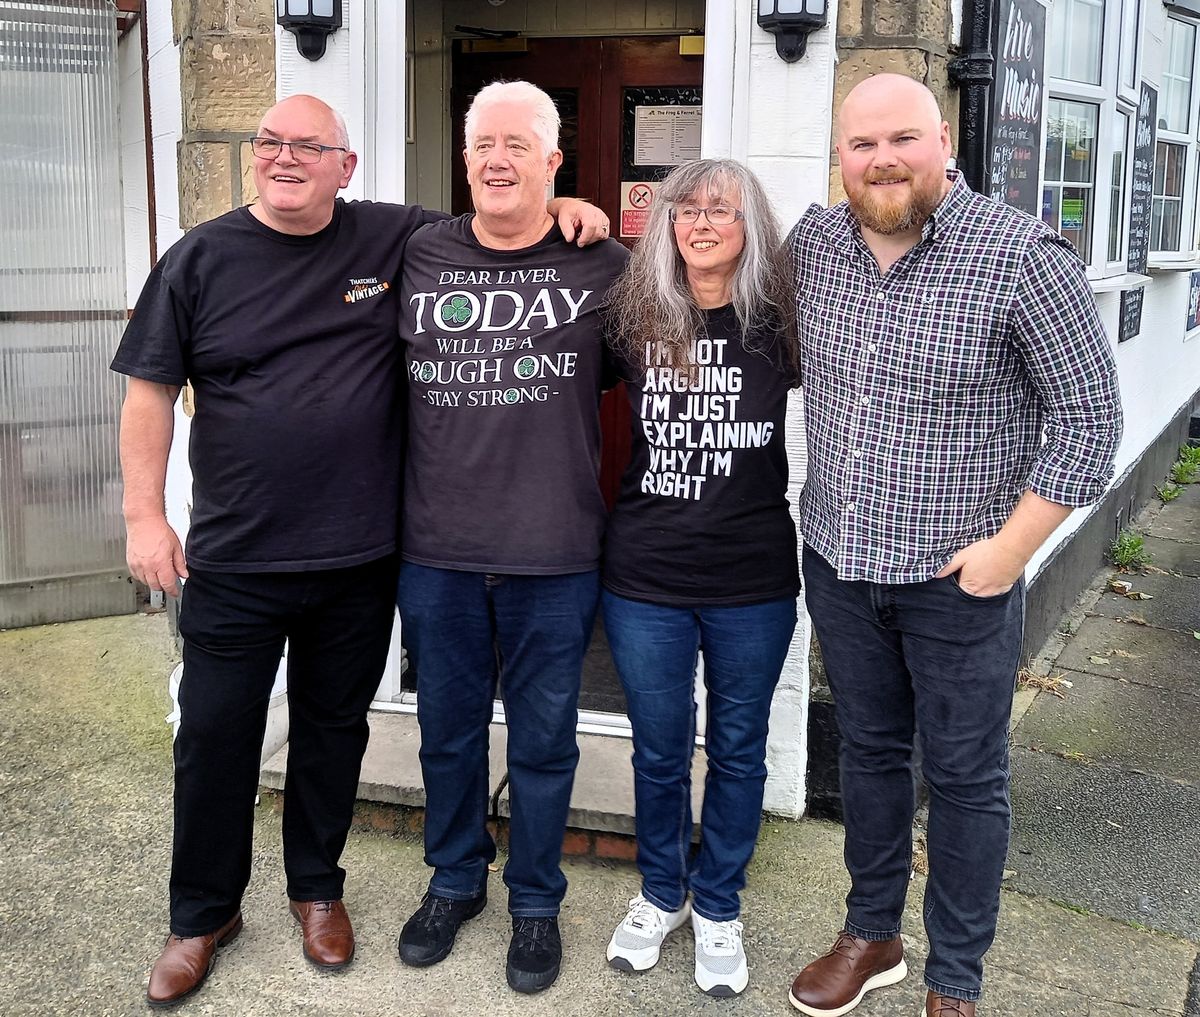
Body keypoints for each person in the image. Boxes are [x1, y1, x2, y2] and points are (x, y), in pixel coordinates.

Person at [111, 93, 607, 1009]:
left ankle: (315, 891)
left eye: (310, 146)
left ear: (347, 167)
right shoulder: (199, 258)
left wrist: (566, 208)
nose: (284, 157)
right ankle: (202, 914)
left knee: (333, 733)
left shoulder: (396, 240)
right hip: (237, 554)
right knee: (216, 736)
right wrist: (146, 517)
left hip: (357, 557)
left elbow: (507, 215)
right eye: (270, 142)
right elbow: (149, 391)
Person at [785, 75, 1122, 1017]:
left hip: (961, 579)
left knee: (969, 776)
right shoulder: (816, 246)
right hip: (844, 562)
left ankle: (956, 977)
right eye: (861, 145)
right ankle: (873, 932)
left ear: (944, 138)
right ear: (840, 158)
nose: (882, 159)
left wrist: (1009, 553)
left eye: (902, 138)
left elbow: (1090, 418)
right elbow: (709, 267)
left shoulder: (1020, 256)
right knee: (870, 753)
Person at [393, 80, 628, 995]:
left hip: (554, 552)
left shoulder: (603, 266)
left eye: (518, 147)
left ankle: (535, 901)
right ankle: (455, 880)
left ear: (553, 161)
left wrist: (582, 215)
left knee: (543, 740)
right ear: (464, 159)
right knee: (446, 734)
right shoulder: (416, 251)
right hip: (437, 548)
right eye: (483, 145)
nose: (497, 161)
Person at [598, 159, 800, 997]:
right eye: (687, 209)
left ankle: (718, 900)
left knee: (740, 747)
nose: (702, 223)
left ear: (752, 226)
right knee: (658, 747)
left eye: (723, 210)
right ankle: (661, 892)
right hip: (644, 571)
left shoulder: (782, 321)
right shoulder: (633, 313)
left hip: (752, 576)